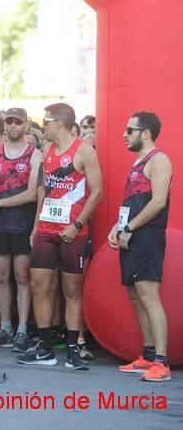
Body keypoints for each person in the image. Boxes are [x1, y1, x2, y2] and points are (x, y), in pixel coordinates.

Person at [18, 103, 102, 370]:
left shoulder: (84, 151)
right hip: (46, 228)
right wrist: (36, 225)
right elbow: (45, 189)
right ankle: (44, 347)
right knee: (39, 286)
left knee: (72, 291)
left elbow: (97, 192)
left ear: (60, 123)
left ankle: (74, 349)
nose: (43, 126)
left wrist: (77, 225)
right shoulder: (47, 150)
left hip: (72, 231)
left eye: (46, 121)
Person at [110, 112, 172, 382]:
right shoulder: (138, 162)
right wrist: (117, 227)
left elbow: (158, 202)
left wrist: (130, 228)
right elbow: (132, 202)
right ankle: (147, 357)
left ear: (145, 133)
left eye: (130, 130)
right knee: (136, 297)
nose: (125, 134)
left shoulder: (159, 160)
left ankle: (161, 362)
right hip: (131, 235)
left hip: (146, 237)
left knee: (149, 298)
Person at [0, 108, 42, 353]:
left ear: (26, 125)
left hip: (22, 224)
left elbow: (32, 193)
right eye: (9, 122)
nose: (13, 126)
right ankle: (5, 327)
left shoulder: (35, 155)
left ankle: (22, 330)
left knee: (22, 276)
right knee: (0, 275)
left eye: (17, 122)